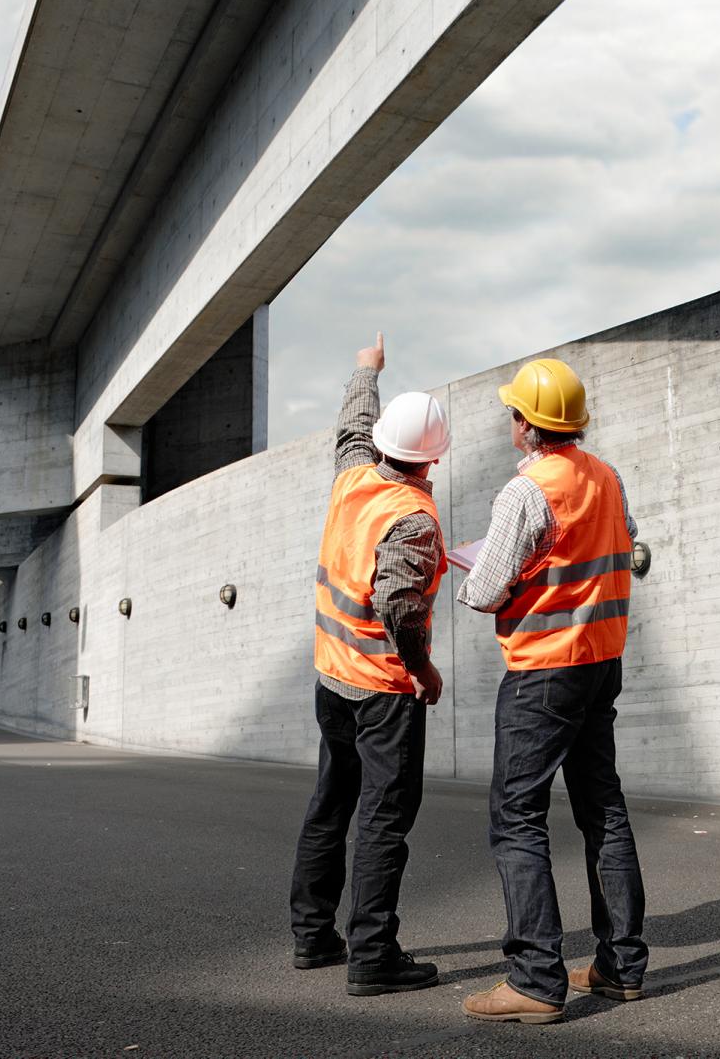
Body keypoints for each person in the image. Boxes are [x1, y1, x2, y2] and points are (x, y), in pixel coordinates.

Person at [457, 357, 649, 1025]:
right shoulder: (607, 477)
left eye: (514, 412)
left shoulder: (525, 493)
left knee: (517, 817)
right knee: (604, 810)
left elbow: (484, 591)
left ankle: (535, 978)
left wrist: (470, 570)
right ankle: (619, 965)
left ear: (525, 424)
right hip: (601, 660)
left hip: (543, 670)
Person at [290, 333, 449, 996]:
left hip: (332, 678)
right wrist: (423, 671)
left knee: (332, 801)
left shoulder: (354, 474)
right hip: (384, 689)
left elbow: (353, 423)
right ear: (432, 460)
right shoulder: (412, 517)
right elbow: (398, 604)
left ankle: (311, 934)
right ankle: (372, 955)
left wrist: (366, 368)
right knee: (384, 815)